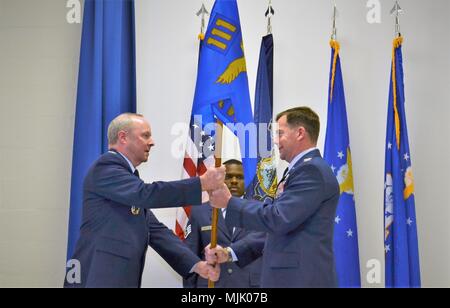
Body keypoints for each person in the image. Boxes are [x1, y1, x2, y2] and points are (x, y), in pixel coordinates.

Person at [64, 113, 223, 288]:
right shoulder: (106, 167)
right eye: (145, 135)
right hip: (98, 277)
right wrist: (200, 183)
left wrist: (197, 265)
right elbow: (146, 193)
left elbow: (156, 231)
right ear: (123, 137)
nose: (152, 142)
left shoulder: (128, 180)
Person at [207, 107, 340, 288]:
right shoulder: (298, 170)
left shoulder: (311, 171)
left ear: (300, 133)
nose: (275, 141)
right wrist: (231, 252)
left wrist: (229, 202)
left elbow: (278, 218)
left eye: (280, 133)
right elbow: (279, 229)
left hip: (301, 281)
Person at [183, 160, 263, 288]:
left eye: (240, 177)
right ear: (220, 180)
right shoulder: (199, 212)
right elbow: (190, 257)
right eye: (229, 177)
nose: (234, 181)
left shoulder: (260, 210)